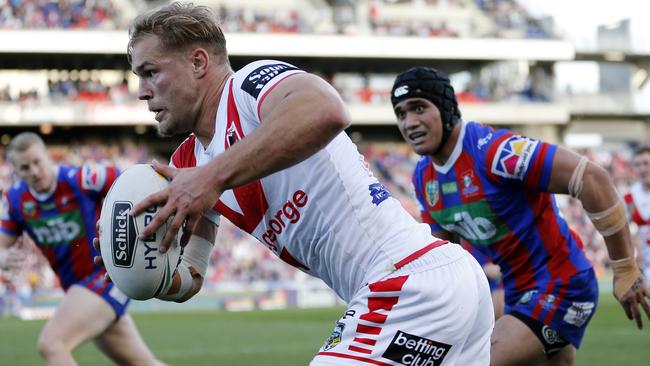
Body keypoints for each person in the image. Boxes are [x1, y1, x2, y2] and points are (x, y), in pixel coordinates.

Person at [98, 2, 495, 365]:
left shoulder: (248, 86)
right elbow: (192, 275)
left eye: (151, 72)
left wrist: (212, 177)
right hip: (429, 285)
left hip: (409, 281)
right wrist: (148, 271)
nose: (141, 92)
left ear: (199, 62)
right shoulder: (188, 163)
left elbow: (326, 110)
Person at [392, 66, 650, 366]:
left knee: (467, 360)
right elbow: (441, 260)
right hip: (517, 291)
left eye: (419, 108)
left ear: (446, 107)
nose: (409, 122)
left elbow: (590, 177)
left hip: (562, 286)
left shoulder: (494, 152)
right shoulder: (424, 179)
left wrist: (624, 267)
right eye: (400, 113)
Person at [0, 132, 164, 366]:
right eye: (25, 167)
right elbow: (2, 248)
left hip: (104, 277)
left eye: (37, 162)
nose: (34, 172)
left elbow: (132, 177)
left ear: (49, 157)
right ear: (15, 170)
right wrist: (5, 258)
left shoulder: (81, 178)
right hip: (79, 290)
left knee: (52, 343)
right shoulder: (15, 200)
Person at [625, 146, 650, 282]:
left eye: (646, 163)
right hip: (646, 264)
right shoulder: (629, 197)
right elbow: (630, 226)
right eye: (637, 165)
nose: (642, 169)